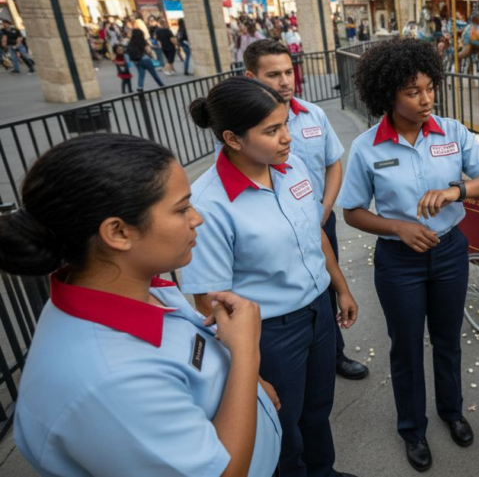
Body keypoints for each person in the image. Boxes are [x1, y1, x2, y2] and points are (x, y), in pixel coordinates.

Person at [5, 133, 282, 477]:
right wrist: (245, 354)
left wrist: (249, 386)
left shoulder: (134, 285)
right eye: (181, 209)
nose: (197, 219)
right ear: (118, 233)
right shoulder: (110, 383)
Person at [340, 38, 479, 472]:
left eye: (430, 87)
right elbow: (353, 213)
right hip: (399, 263)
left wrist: (457, 190)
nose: (426, 99)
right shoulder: (366, 148)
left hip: (450, 251)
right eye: (413, 92)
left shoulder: (452, 132)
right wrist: (397, 226)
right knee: (407, 347)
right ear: (388, 94)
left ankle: (452, 412)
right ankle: (412, 429)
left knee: (449, 341)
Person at [181, 78, 358, 477]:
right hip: (271, 333)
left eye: (285, 125)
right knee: (281, 424)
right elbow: (209, 300)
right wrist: (251, 373)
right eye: (271, 130)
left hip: (317, 313)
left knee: (317, 411)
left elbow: (314, 234)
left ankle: (322, 471)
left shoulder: (291, 167)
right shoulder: (209, 203)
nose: (287, 138)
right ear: (233, 138)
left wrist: (340, 287)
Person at [242, 39, 368, 381]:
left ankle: (334, 353)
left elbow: (333, 163)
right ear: (251, 76)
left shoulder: (314, 114)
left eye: (288, 71)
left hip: (318, 221)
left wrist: (326, 207)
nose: (285, 81)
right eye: (274, 74)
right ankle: (286, 365)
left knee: (327, 283)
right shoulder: (242, 128)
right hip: (273, 232)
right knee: (290, 296)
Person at [282, 24, 304, 96]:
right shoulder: (293, 44)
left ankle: (297, 90)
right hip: (294, 62)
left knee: (295, 76)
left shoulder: (290, 45)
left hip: (293, 62)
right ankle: (297, 90)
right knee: (295, 76)